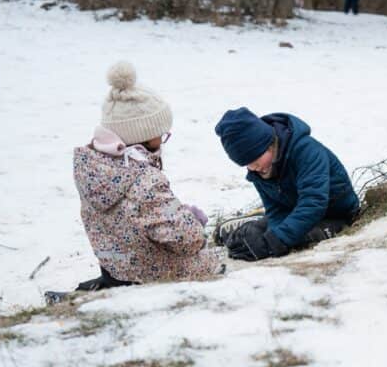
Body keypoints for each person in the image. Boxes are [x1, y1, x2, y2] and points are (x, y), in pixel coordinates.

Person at [69, 62, 220, 293]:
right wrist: (192, 221)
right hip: (150, 274)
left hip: (116, 269)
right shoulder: (143, 179)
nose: (163, 137)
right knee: (214, 261)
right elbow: (188, 240)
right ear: (142, 134)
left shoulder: (91, 167)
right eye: (160, 133)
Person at [213, 107, 360, 261]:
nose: (253, 167)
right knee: (258, 236)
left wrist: (276, 241)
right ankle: (250, 226)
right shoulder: (260, 171)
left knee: (300, 240)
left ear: (268, 144)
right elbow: (276, 209)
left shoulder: (307, 151)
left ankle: (261, 222)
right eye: (247, 164)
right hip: (295, 212)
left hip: (336, 215)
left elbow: (314, 202)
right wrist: (270, 237)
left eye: (255, 160)